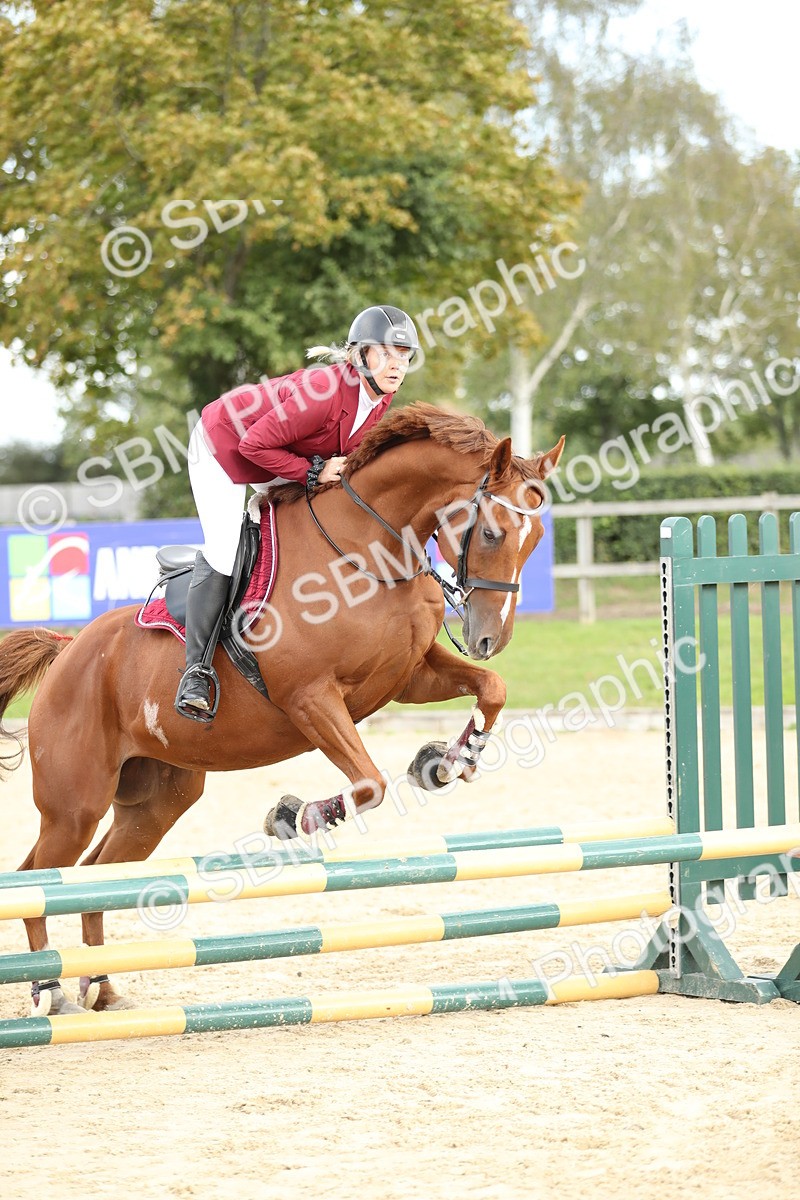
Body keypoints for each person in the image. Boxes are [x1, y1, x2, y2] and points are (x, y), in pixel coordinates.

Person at [175, 304, 421, 720]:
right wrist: (315, 471)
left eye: (404, 355)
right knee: (224, 549)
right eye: (387, 353)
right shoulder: (322, 395)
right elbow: (253, 446)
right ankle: (195, 672)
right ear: (361, 355)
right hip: (223, 448)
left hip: (276, 455)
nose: (397, 365)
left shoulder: (380, 399)